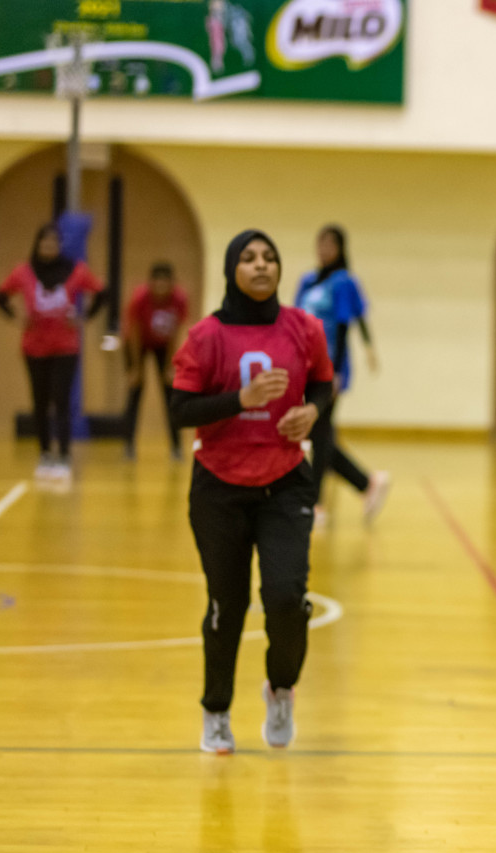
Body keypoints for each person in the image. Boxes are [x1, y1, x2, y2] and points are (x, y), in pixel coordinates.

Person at [170, 230, 332, 755]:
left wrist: (313, 411)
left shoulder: (304, 329)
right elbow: (179, 412)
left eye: (270, 258)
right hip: (219, 486)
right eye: (248, 258)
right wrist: (239, 400)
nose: (261, 266)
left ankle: (280, 688)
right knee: (227, 604)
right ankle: (216, 710)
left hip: (284, 482)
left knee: (286, 599)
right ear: (231, 269)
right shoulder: (205, 337)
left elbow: (323, 384)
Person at [294, 224, 391, 529]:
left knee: (319, 429)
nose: (324, 249)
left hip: (330, 369)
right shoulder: (307, 281)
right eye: (320, 243)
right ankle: (367, 483)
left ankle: (316, 503)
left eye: (330, 244)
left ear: (340, 248)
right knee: (316, 431)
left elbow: (347, 323)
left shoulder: (344, 282)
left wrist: (336, 370)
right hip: (304, 368)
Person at [0, 224, 106, 482]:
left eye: (54, 243)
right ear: (38, 244)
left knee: (61, 401)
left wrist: (83, 317)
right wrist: (16, 316)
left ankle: (64, 455)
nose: (49, 247)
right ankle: (45, 454)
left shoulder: (75, 271)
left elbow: (101, 292)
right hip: (34, 348)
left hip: (65, 347)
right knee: (40, 402)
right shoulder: (23, 272)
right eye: (45, 242)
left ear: (59, 246)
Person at [122, 261, 189, 460]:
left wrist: (170, 366)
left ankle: (176, 447)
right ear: (150, 283)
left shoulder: (179, 299)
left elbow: (176, 333)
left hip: (163, 345)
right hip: (137, 343)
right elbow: (133, 333)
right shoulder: (140, 298)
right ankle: (129, 446)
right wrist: (135, 368)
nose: (160, 287)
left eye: (164, 282)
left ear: (172, 283)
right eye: (156, 282)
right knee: (135, 393)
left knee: (170, 393)